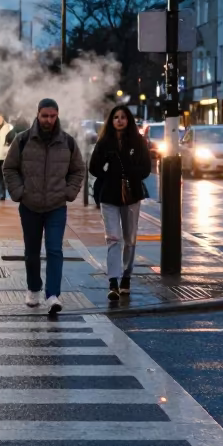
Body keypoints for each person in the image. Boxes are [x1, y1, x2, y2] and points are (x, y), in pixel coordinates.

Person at [3, 98, 84, 314]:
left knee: (55, 250)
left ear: (57, 116)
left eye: (53, 116)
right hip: (30, 205)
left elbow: (78, 170)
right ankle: (33, 288)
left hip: (56, 206)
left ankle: (53, 295)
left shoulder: (67, 142)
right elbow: (9, 168)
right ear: (37, 115)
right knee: (32, 252)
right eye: (45, 116)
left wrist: (69, 192)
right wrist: (19, 192)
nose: (49, 120)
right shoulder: (22, 140)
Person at [89, 106, 152, 302]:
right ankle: (113, 282)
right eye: (116, 117)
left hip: (131, 194)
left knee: (130, 239)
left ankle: (126, 276)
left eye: (123, 117)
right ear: (111, 121)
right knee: (113, 238)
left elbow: (146, 169)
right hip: (109, 195)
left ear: (128, 120)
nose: (119, 120)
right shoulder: (104, 142)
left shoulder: (137, 141)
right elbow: (93, 167)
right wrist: (108, 174)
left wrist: (130, 173)